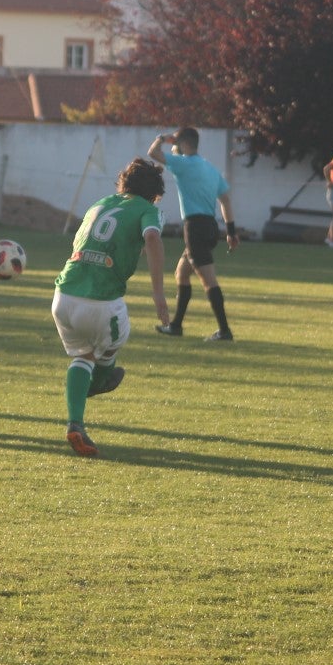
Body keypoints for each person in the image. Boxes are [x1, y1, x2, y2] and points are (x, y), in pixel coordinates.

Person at [52, 158, 169, 457]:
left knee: (83, 356)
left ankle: (76, 421)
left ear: (122, 184)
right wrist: (158, 293)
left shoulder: (100, 204)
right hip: (101, 302)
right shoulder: (148, 210)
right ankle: (100, 381)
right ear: (154, 195)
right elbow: (152, 237)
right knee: (113, 345)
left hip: (63, 295)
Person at [147, 127, 239, 341]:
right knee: (181, 273)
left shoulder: (183, 163)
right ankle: (176, 326)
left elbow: (153, 153)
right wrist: (231, 232)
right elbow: (225, 200)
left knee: (209, 281)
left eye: (176, 143)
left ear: (182, 144)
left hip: (195, 228)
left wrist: (162, 138)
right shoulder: (210, 168)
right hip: (210, 227)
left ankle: (224, 331)